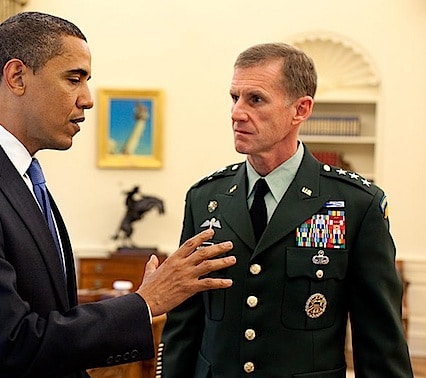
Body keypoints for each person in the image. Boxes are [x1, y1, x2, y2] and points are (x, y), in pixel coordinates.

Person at [0, 12, 236, 378]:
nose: (88, 99)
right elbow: (11, 345)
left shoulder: (22, 176)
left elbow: (51, 321)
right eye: (73, 79)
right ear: (17, 77)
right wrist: (144, 303)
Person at [160, 42, 413, 377]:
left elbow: (380, 342)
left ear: (301, 109)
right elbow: (184, 325)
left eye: (256, 99)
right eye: (234, 98)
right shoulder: (206, 198)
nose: (237, 112)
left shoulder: (355, 204)